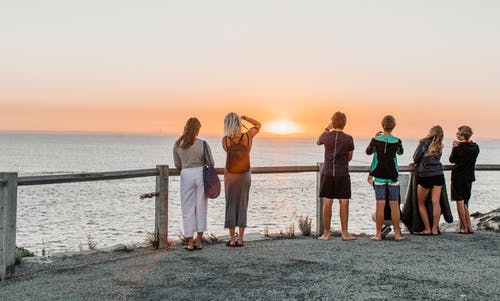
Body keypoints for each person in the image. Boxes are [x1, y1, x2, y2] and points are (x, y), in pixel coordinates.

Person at [173, 117, 215, 251]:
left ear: (186, 127)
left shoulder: (178, 144)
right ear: (197, 129)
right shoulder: (203, 143)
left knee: (188, 209)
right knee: (201, 207)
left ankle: (190, 243)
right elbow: (211, 162)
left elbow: (177, 165)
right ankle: (199, 242)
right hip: (200, 174)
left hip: (186, 174)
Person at [222, 113, 261, 247]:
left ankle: (232, 240)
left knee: (230, 204)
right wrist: (245, 118)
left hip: (230, 175)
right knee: (243, 204)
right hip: (244, 174)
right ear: (238, 123)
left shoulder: (225, 140)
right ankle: (241, 239)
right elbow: (258, 125)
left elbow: (228, 152)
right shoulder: (247, 136)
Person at [317, 112, 356, 241]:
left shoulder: (326, 136)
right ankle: (344, 233)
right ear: (344, 123)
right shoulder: (349, 138)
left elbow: (318, 141)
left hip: (328, 172)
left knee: (327, 202)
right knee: (344, 202)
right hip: (342, 173)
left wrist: (327, 128)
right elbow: (350, 157)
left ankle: (326, 234)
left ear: (333, 122)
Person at [366, 115, 404, 241]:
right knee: (394, 205)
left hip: (379, 176)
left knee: (380, 205)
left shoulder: (375, 140)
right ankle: (397, 234)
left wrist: (375, 137)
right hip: (393, 176)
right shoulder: (397, 140)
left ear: (383, 125)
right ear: (393, 126)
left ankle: (378, 234)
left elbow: (368, 152)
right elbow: (400, 152)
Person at [410, 125, 445, 235]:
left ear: (431, 132)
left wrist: (416, 163)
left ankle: (427, 229)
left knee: (421, 203)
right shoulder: (439, 144)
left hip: (426, 175)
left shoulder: (424, 142)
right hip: (438, 174)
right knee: (436, 202)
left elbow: (416, 157)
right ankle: (435, 229)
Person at [449, 125, 480, 234]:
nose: (456, 135)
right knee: (465, 202)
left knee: (459, 202)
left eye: (458, 133)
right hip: (469, 177)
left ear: (463, 135)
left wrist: (454, 147)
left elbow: (451, 160)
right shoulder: (475, 147)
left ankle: (465, 228)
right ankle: (469, 227)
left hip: (458, 176)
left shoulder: (458, 148)